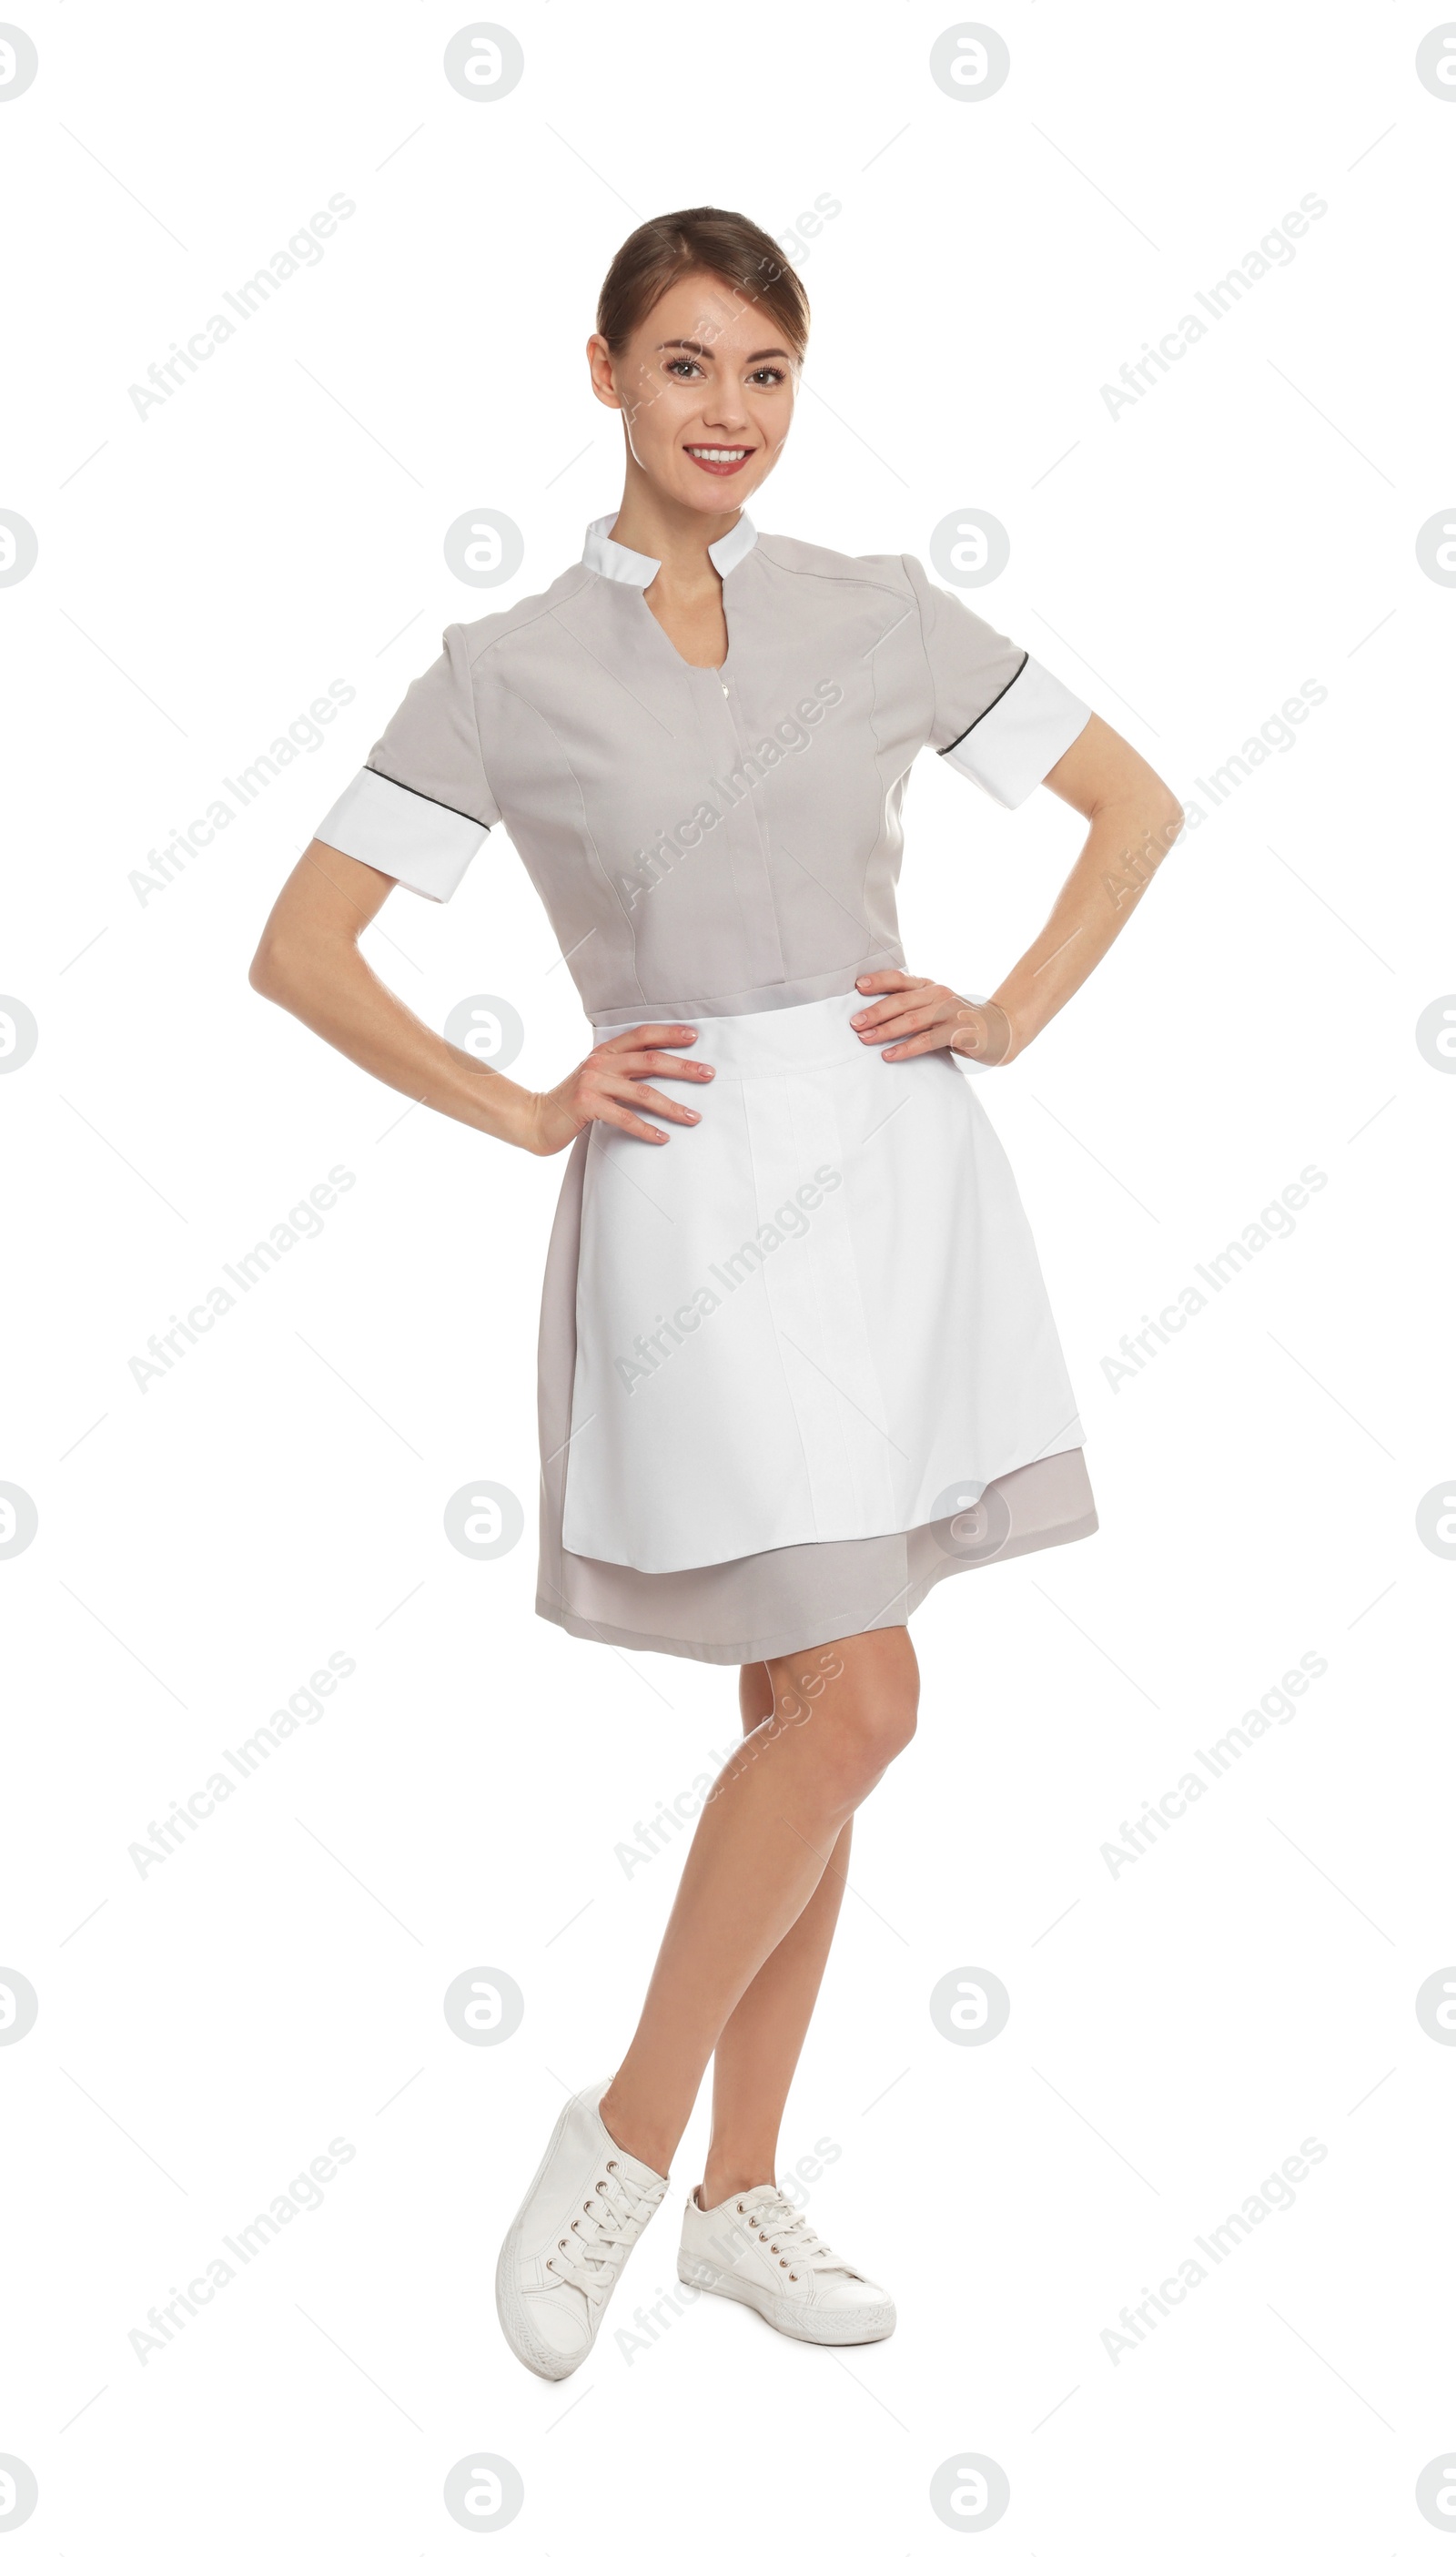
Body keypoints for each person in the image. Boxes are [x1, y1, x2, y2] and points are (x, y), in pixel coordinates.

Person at [249, 206, 1183, 2380]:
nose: (729, 414)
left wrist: (1016, 1010)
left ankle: (738, 2200)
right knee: (860, 1701)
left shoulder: (874, 610)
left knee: (807, 1721)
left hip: (886, 1177)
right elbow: (302, 948)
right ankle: (629, 2139)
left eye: (764, 371)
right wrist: (515, 1104)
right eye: (685, 366)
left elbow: (1129, 808)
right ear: (601, 377)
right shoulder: (499, 670)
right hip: (681, 1205)